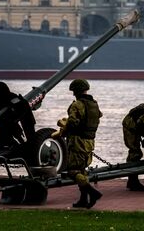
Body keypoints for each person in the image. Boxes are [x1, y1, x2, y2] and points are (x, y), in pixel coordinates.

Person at [51, 79, 102, 209]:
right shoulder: (94, 104)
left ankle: (92, 193)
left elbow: (73, 122)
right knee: (82, 171)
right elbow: (97, 116)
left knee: (72, 171)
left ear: (75, 91)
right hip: (90, 142)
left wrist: (63, 131)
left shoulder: (77, 105)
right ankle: (83, 200)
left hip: (78, 142)